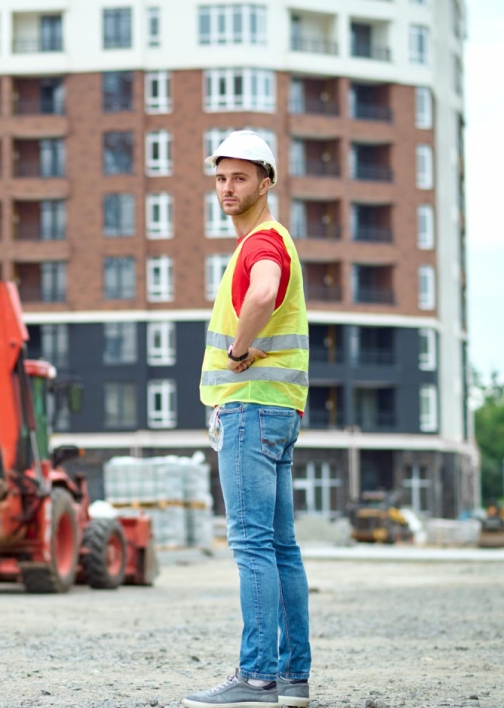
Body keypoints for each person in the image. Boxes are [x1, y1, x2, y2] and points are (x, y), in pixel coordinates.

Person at [183, 130, 311, 708]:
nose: (227, 187)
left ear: (266, 182)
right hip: (279, 412)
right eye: (220, 177)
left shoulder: (261, 244)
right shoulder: (272, 240)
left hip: (250, 409)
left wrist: (237, 353)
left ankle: (256, 678)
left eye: (240, 177)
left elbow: (260, 296)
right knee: (281, 548)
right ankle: (292, 680)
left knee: (252, 546)